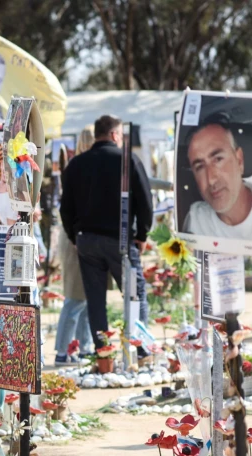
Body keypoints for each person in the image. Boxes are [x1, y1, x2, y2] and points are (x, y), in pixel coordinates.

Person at [61, 115, 153, 351]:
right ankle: (141, 350)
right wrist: (142, 235)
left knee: (95, 301)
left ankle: (103, 355)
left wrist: (74, 236)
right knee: (135, 295)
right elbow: (145, 201)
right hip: (119, 238)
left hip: (87, 240)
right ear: (114, 134)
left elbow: (66, 207)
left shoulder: (76, 164)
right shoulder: (127, 160)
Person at [54, 126, 95, 365]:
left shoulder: (75, 166)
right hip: (76, 238)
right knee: (75, 298)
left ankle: (84, 347)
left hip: (75, 236)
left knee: (85, 297)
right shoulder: (81, 169)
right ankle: (62, 351)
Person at [183, 115, 252, 240]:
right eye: (200, 167)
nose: (211, 180)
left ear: (239, 160)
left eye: (218, 159)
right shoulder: (196, 221)